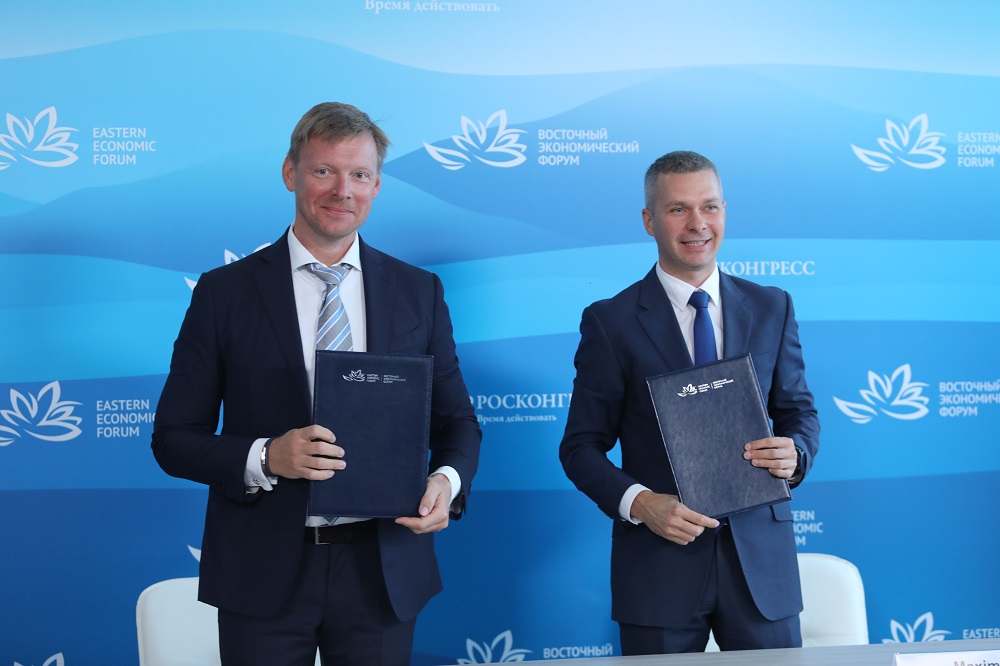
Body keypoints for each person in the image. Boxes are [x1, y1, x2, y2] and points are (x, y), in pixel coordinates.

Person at [152, 102, 481, 665]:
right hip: (261, 572)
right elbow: (174, 438)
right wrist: (266, 457)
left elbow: (458, 425)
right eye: (324, 170)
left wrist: (446, 485)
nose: (342, 191)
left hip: (382, 571)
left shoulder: (418, 291)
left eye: (359, 175)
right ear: (291, 173)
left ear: (376, 186)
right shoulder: (223, 294)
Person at [559, 150, 819, 655]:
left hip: (761, 567)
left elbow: (799, 413)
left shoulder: (772, 306)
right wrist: (641, 504)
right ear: (649, 220)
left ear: (724, 212)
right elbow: (580, 447)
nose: (698, 223)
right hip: (658, 565)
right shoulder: (611, 322)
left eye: (710, 206)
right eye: (678, 209)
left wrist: (797, 454)